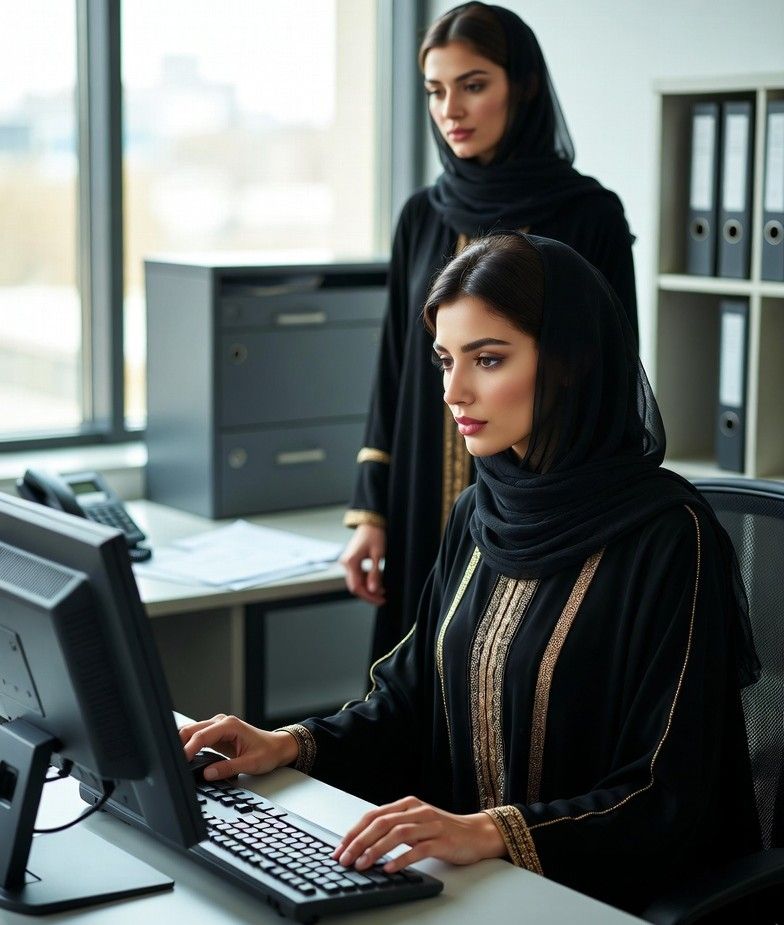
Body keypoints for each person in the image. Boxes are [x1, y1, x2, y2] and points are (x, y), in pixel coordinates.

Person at [181, 233, 760, 915]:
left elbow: (666, 791)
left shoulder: (671, 537)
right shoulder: (480, 510)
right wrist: (288, 742)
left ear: (571, 360)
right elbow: (409, 701)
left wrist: (490, 831)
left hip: (599, 897)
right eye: (445, 360)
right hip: (465, 882)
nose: (454, 390)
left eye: (488, 359)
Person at [341, 2, 640, 666]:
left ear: (523, 86)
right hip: (424, 496)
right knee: (415, 691)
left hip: (545, 508)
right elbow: (395, 364)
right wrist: (371, 514)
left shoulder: (587, 215)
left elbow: (609, 372)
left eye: (473, 85)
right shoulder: (423, 214)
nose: (451, 108)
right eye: (436, 90)